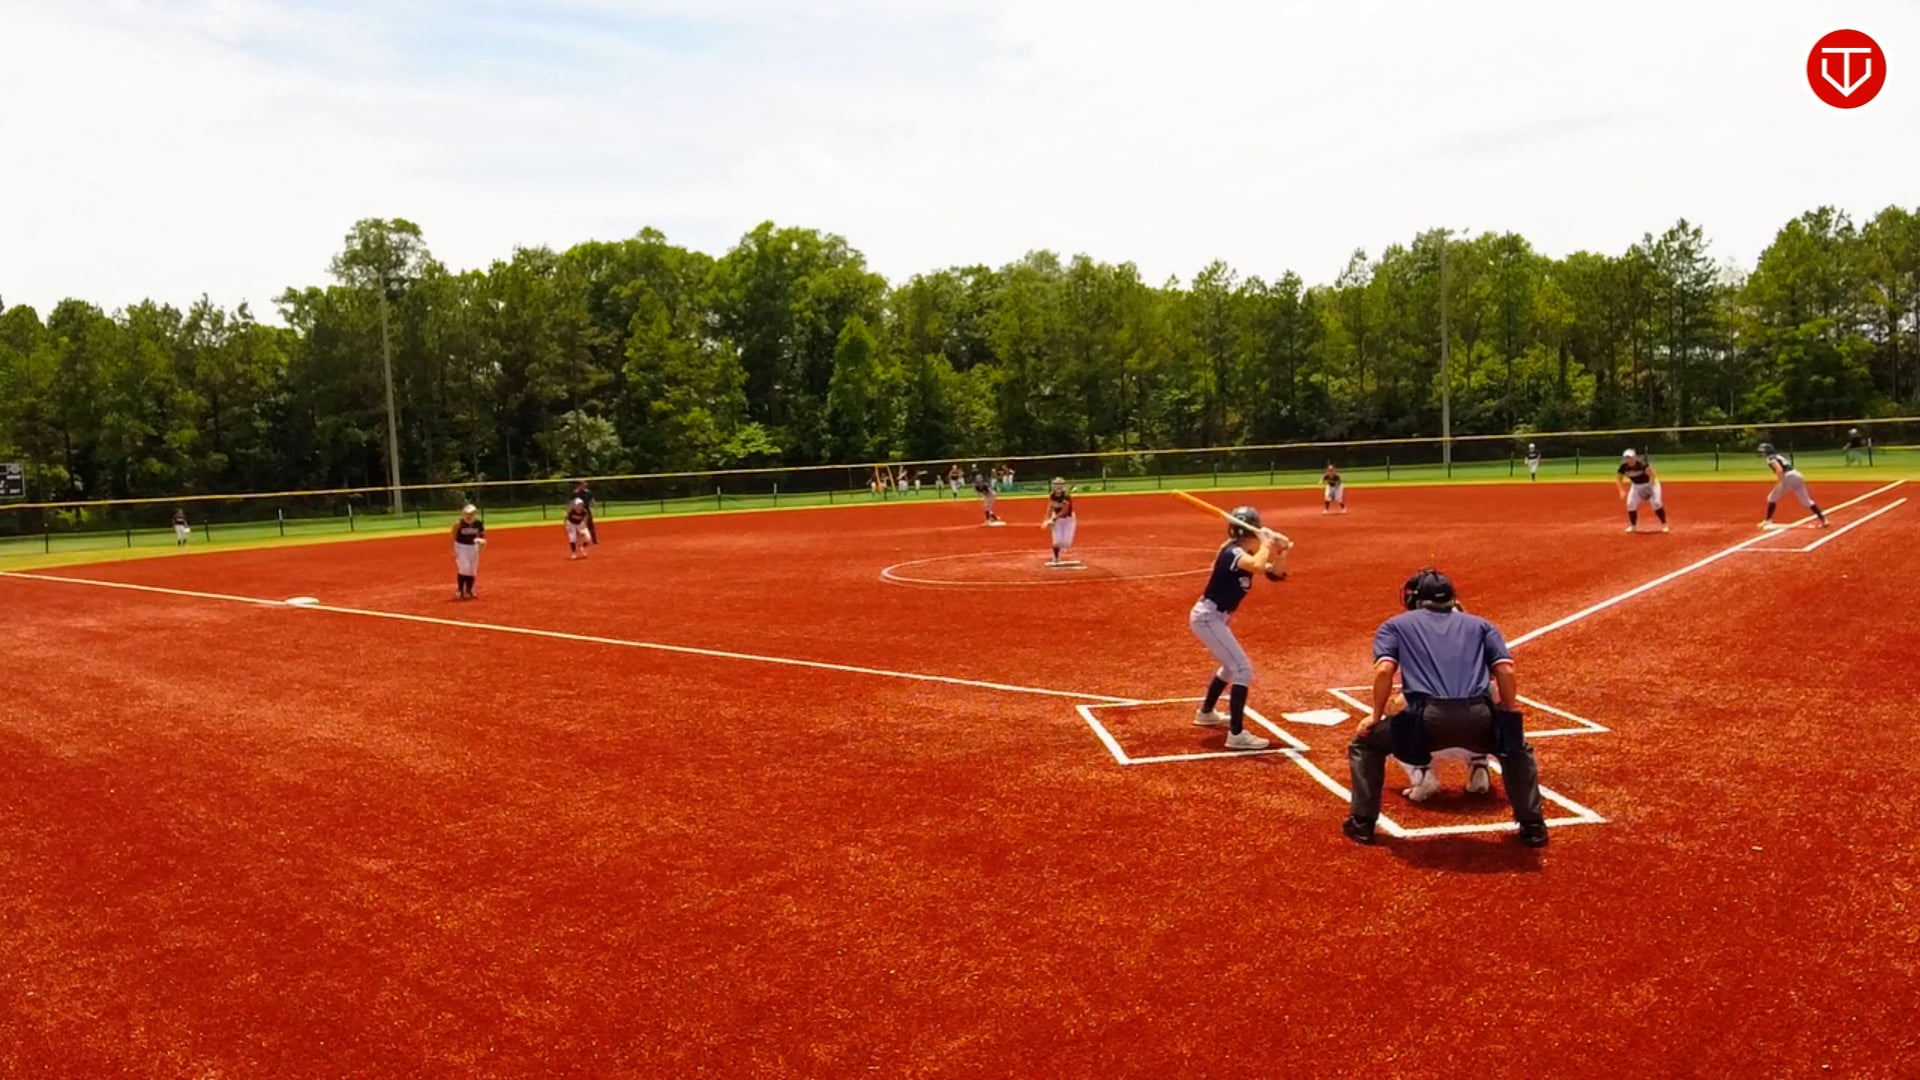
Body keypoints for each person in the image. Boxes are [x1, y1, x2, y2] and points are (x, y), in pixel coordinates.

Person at [1343, 568, 1549, 847]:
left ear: (1416, 599)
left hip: (1424, 722)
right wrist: (1509, 714)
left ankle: (1362, 823)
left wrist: (1375, 717)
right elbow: (1505, 671)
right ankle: (1533, 826)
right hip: (1479, 717)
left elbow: (1384, 671)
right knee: (1516, 749)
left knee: (1365, 744)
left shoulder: (1395, 625)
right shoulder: (1482, 625)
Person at [1189, 507, 1292, 752]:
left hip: (1215, 618)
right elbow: (1257, 565)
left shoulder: (1243, 552)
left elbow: (1275, 574)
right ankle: (1236, 734)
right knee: (1242, 669)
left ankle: (1206, 713)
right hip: (1208, 617)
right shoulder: (1232, 552)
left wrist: (1282, 551)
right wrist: (1266, 542)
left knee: (1229, 667)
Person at [1760, 443, 1829, 529]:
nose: (1762, 453)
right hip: (1798, 475)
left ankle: (1768, 520)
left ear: (1768, 451)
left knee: (1771, 498)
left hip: (1789, 477)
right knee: (1806, 501)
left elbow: (1779, 469)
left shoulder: (1770, 458)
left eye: (1763, 451)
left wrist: (1780, 482)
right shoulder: (1778, 456)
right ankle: (1824, 520)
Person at [1615, 449, 1669, 534]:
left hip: (1651, 484)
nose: (1629, 460)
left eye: (1631, 457)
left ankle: (1664, 525)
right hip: (1636, 486)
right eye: (1627, 458)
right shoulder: (1623, 467)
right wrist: (1621, 490)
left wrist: (1649, 488)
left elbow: (1653, 475)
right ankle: (1633, 526)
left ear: (1635, 457)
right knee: (1630, 504)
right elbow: (1618, 479)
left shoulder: (1642, 464)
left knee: (1656, 503)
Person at [451, 504, 486, 600]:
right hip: (461, 547)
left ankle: (469, 590)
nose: (469, 515)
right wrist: (452, 549)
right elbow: (453, 535)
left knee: (472, 570)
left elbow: (482, 534)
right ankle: (460, 590)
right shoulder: (459, 523)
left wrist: (481, 542)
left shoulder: (478, 523)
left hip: (473, 547)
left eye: (471, 513)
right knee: (464, 568)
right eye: (467, 513)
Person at [1041, 477, 1077, 566]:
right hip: (1057, 519)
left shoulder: (1066, 496)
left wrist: (1053, 519)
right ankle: (1056, 557)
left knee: (1066, 543)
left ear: (1063, 485)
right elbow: (1050, 507)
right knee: (1057, 541)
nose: (1058, 486)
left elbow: (1064, 511)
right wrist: (1046, 519)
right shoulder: (1052, 495)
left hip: (1068, 519)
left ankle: (1063, 548)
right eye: (1056, 484)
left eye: (1060, 484)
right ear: (1053, 486)